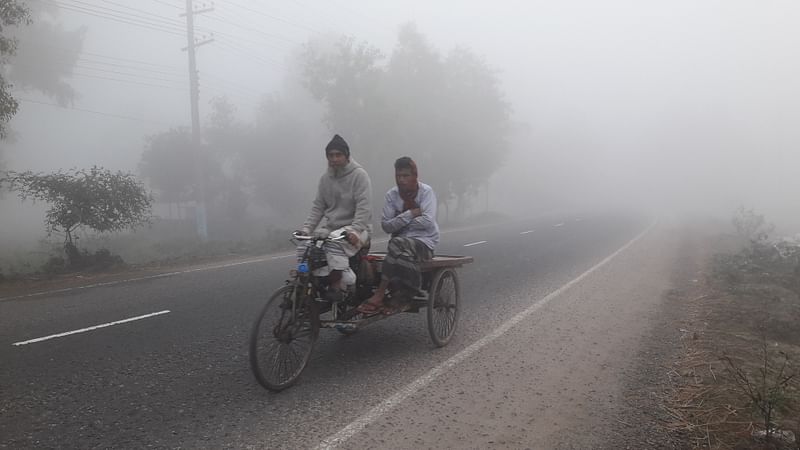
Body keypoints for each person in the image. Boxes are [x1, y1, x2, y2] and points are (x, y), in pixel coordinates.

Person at [358, 156, 439, 314]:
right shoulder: (391, 195)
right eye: (398, 176)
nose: (401, 180)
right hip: (401, 248)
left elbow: (428, 222)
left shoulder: (426, 192)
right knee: (397, 247)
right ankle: (409, 289)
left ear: (415, 176)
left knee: (395, 243)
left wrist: (399, 222)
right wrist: (410, 214)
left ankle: (381, 293)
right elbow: (386, 226)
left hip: (424, 243)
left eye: (406, 176)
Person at [298, 134, 372, 301]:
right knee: (305, 246)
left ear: (346, 156)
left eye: (338, 155)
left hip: (357, 229)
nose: (334, 159)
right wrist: (306, 229)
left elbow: (364, 207)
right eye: (330, 155)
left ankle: (337, 286)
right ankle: (306, 284)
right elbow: (318, 207)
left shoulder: (359, 176)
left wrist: (355, 230)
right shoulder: (325, 179)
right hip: (332, 228)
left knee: (332, 242)